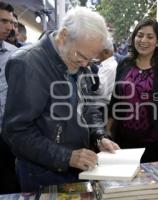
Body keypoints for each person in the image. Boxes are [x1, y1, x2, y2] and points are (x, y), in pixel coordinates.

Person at [2, 7, 119, 192]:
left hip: (76, 168)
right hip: (41, 174)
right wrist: (66, 157)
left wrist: (99, 136)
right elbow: (16, 132)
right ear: (63, 35)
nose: (85, 64)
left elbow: (88, 108)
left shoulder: (78, 59)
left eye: (90, 60)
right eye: (81, 56)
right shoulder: (28, 63)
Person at [107, 19, 158, 163]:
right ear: (134, 37)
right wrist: (107, 132)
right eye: (140, 35)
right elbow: (115, 101)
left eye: (150, 36)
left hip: (154, 142)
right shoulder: (124, 63)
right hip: (122, 141)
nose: (143, 40)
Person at [0, 2, 20, 194]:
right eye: (3, 21)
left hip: (8, 136)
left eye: (11, 22)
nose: (10, 27)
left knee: (9, 186)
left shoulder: (16, 55)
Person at [97, 37, 118, 104]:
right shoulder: (107, 65)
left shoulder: (109, 68)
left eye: (97, 50)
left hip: (101, 106)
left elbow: (99, 90)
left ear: (105, 52)